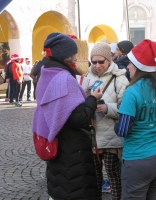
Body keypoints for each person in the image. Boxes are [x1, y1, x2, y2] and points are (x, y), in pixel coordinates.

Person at [32, 32, 103, 200]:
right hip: (72, 151)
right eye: (74, 53)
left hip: (56, 146)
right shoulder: (64, 78)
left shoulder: (46, 73)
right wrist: (93, 98)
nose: (76, 57)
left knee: (60, 189)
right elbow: (79, 118)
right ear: (66, 55)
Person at [114, 39, 156, 200]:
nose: (128, 67)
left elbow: (123, 130)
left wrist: (115, 122)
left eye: (130, 63)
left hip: (138, 159)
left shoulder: (133, 91)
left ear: (137, 66)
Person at [86, 42, 129, 200]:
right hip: (93, 139)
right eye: (94, 62)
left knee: (114, 178)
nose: (97, 65)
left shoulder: (120, 78)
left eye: (101, 61)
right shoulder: (88, 77)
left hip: (112, 139)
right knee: (94, 179)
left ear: (109, 60)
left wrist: (107, 109)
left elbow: (127, 110)